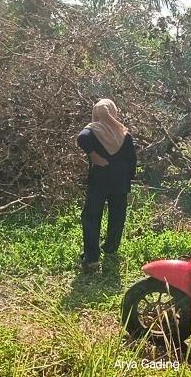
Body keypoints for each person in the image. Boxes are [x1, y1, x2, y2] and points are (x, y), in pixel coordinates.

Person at [76, 99, 137, 270]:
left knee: (91, 216)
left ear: (96, 113)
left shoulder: (92, 131)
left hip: (100, 180)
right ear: (113, 112)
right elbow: (132, 159)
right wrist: (128, 178)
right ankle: (111, 248)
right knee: (117, 216)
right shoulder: (123, 133)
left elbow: (81, 138)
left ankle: (92, 257)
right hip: (120, 180)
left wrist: (92, 154)